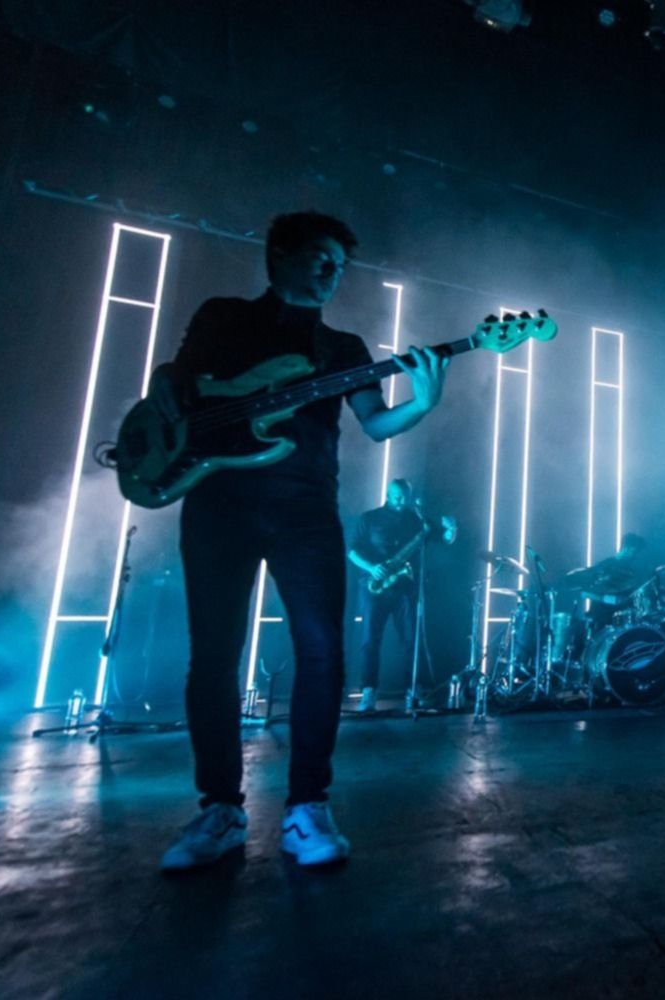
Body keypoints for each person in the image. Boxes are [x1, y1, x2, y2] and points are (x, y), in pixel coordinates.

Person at [147, 211, 451, 870]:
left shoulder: (343, 347)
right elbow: (179, 381)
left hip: (306, 512)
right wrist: (165, 380)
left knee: (322, 653)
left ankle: (307, 806)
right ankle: (220, 809)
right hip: (218, 502)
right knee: (214, 655)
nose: (332, 272)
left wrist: (422, 403)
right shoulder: (223, 316)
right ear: (279, 254)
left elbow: (375, 423)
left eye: (340, 265)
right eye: (320, 258)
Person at [347, 478, 457, 711]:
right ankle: (368, 691)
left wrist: (452, 529)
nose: (401, 501)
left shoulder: (417, 519)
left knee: (411, 640)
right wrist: (372, 568)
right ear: (387, 495)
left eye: (405, 497)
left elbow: (445, 539)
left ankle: (414, 689)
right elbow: (352, 551)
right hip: (375, 585)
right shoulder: (369, 518)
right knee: (370, 640)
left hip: (406, 587)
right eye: (397, 497)